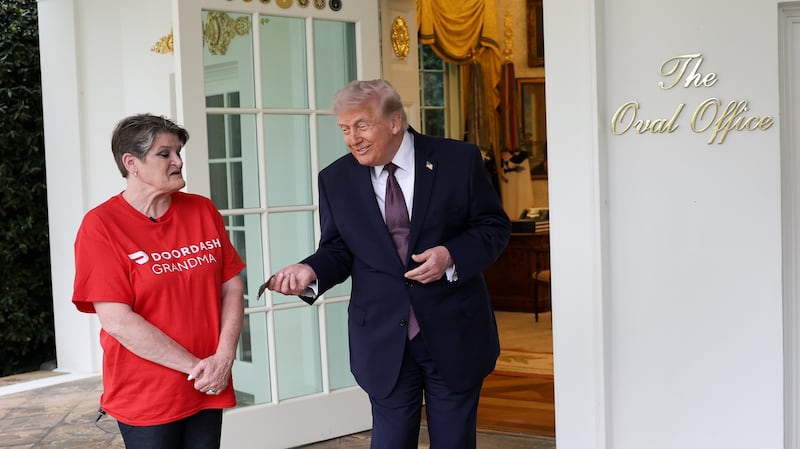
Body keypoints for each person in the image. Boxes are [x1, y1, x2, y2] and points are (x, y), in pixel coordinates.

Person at [265, 79, 511, 449]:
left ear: (395, 122)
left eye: (362, 125)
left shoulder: (459, 160)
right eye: (345, 129)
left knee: (455, 442)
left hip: (454, 329)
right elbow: (339, 249)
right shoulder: (336, 178)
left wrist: (451, 256)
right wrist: (311, 270)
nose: (352, 139)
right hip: (382, 337)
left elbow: (493, 227)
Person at [72, 114, 245, 449]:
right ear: (131, 163)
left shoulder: (202, 210)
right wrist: (199, 368)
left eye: (178, 152)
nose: (178, 161)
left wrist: (223, 359)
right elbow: (118, 321)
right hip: (148, 394)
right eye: (165, 154)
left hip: (207, 384)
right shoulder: (101, 226)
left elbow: (232, 286)